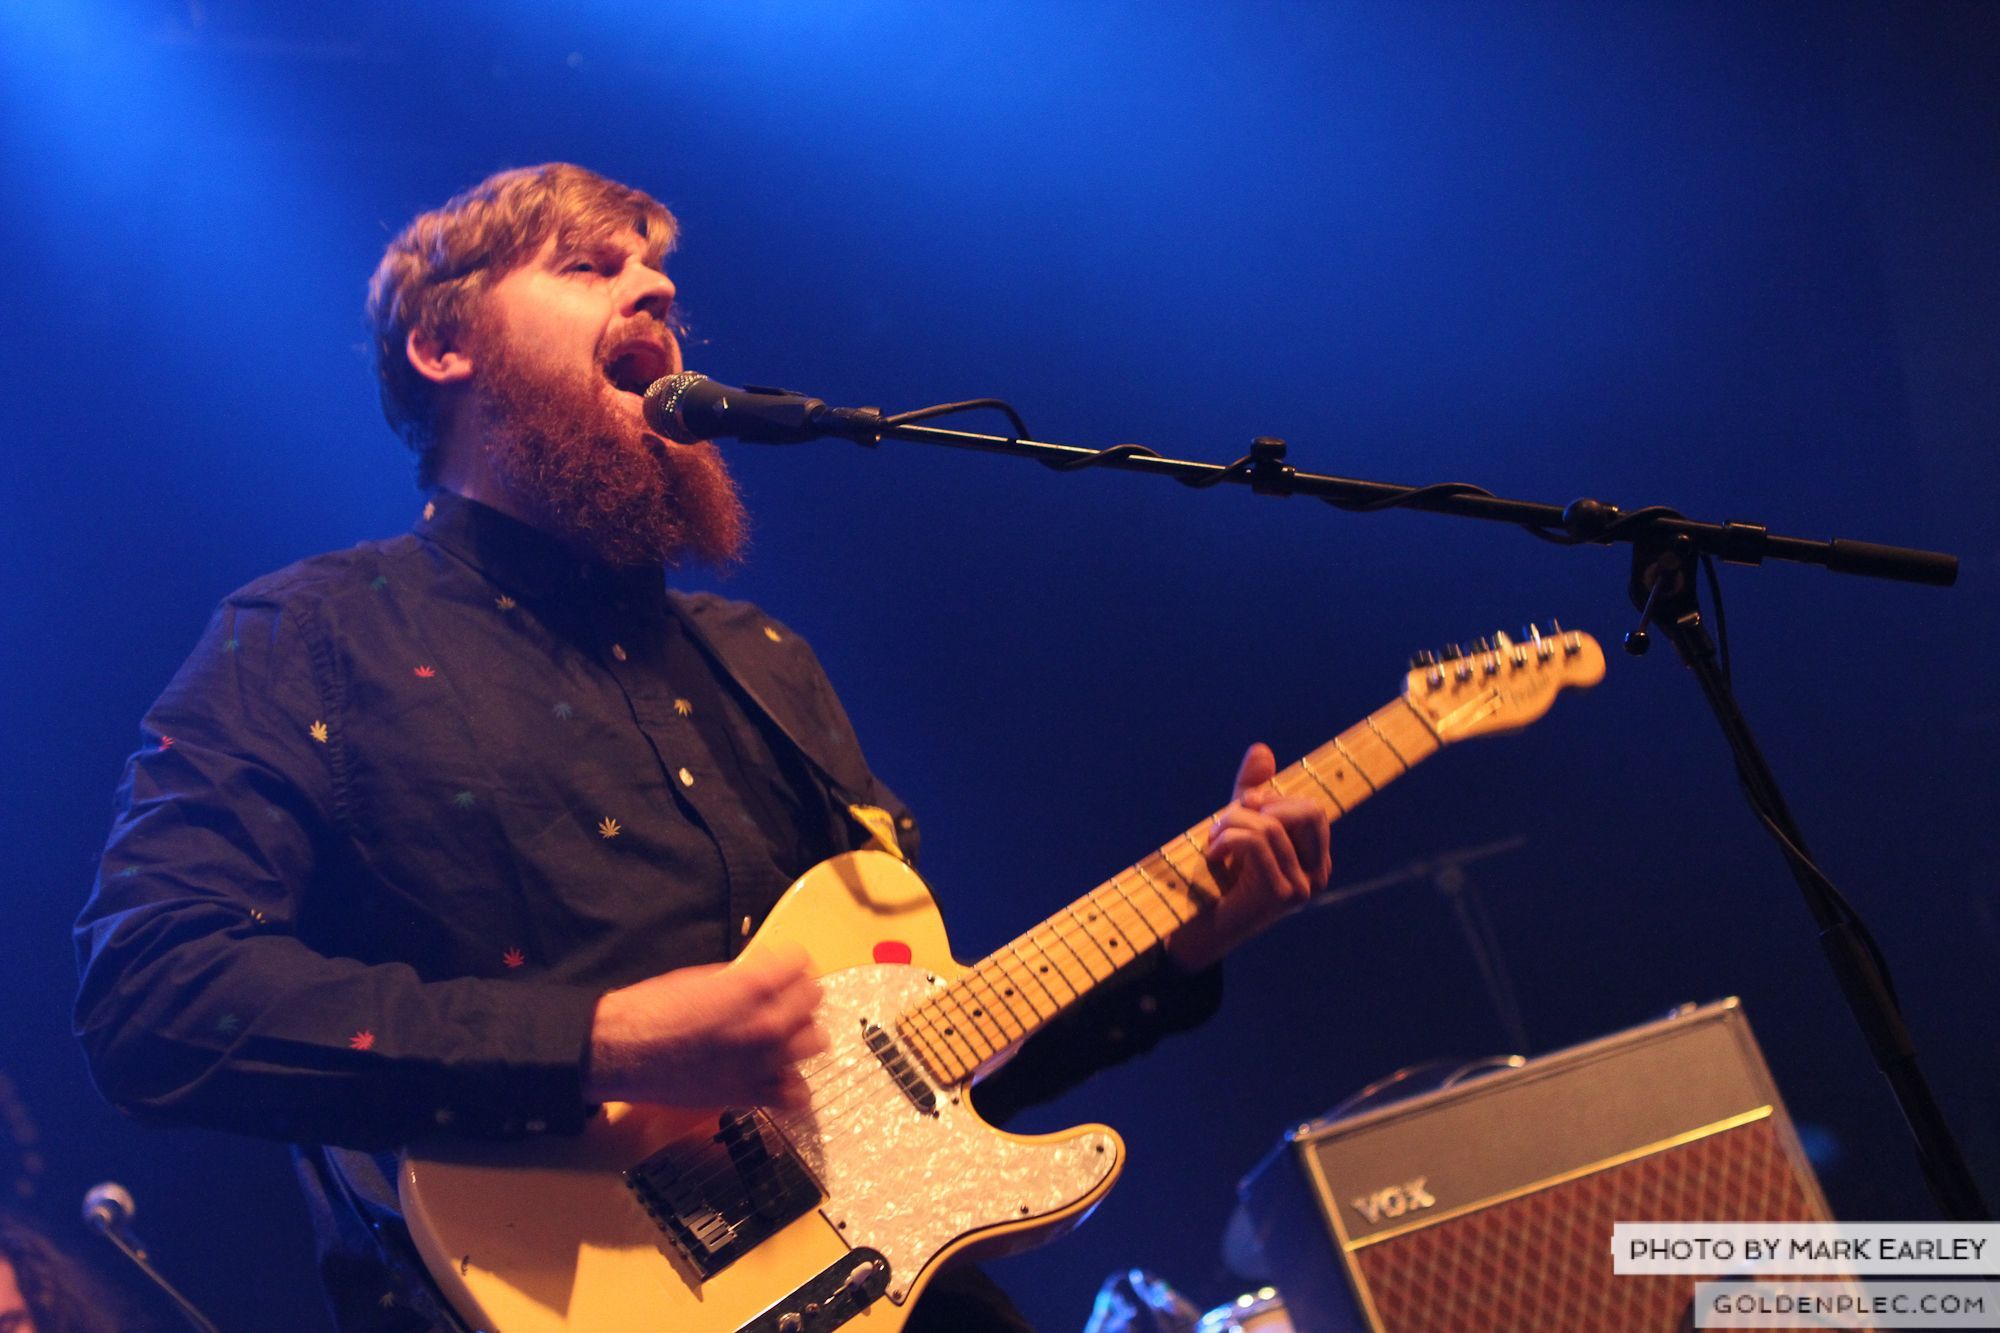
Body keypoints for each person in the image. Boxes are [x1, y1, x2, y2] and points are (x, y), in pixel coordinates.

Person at [73, 163, 1332, 1332]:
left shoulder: (761, 659)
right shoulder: (312, 636)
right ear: (443, 343)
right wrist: (596, 1043)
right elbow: (153, 996)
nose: (655, 291)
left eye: (658, 274)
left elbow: (915, 1090)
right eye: (587, 266)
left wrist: (1179, 945)